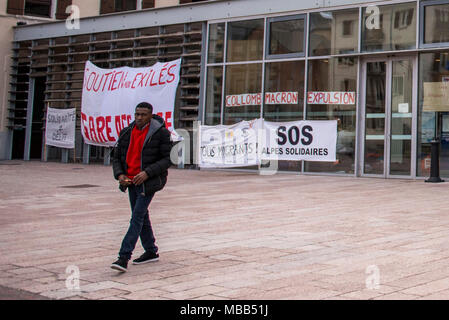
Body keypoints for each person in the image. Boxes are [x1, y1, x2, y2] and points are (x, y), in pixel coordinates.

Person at [110, 102, 172, 272]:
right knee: (141, 216)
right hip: (130, 182)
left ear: (150, 116)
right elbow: (117, 157)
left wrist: (147, 173)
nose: (139, 118)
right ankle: (151, 251)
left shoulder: (161, 134)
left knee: (136, 217)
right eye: (137, 114)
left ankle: (123, 257)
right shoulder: (126, 133)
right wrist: (120, 175)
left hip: (148, 182)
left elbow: (167, 159)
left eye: (143, 114)